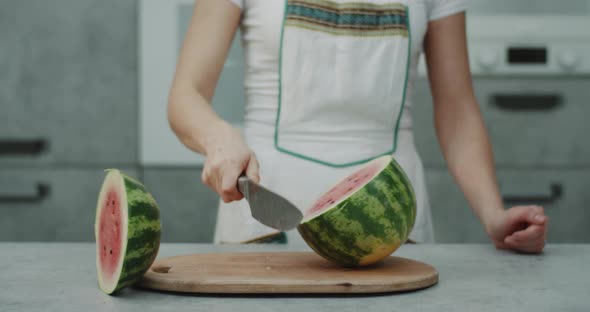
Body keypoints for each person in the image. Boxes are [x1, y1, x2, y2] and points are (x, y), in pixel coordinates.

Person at [167, 0, 548, 253]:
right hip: (263, 223)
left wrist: (493, 214)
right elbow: (185, 96)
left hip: (394, 233)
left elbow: (457, 110)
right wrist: (218, 138)